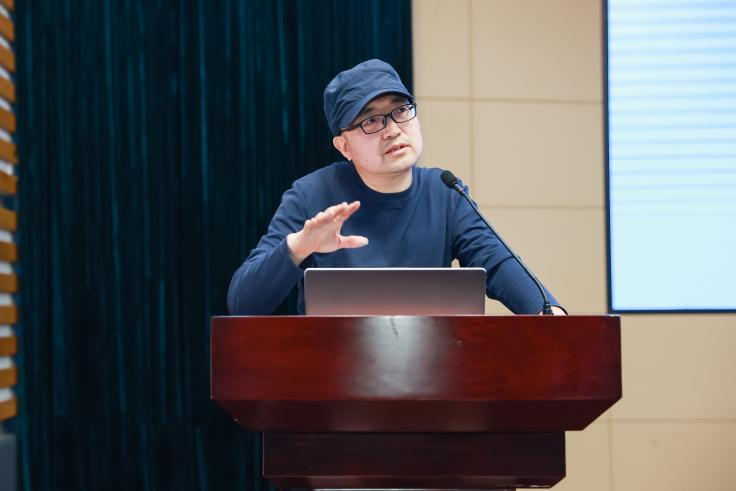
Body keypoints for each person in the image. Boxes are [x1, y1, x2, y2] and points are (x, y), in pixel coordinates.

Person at [227, 59, 565, 315]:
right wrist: (299, 246)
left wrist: (548, 312)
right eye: (371, 120)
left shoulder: (445, 192)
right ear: (344, 147)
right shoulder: (311, 195)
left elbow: (498, 263)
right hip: (332, 376)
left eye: (401, 110)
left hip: (433, 374)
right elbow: (243, 303)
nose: (392, 130)